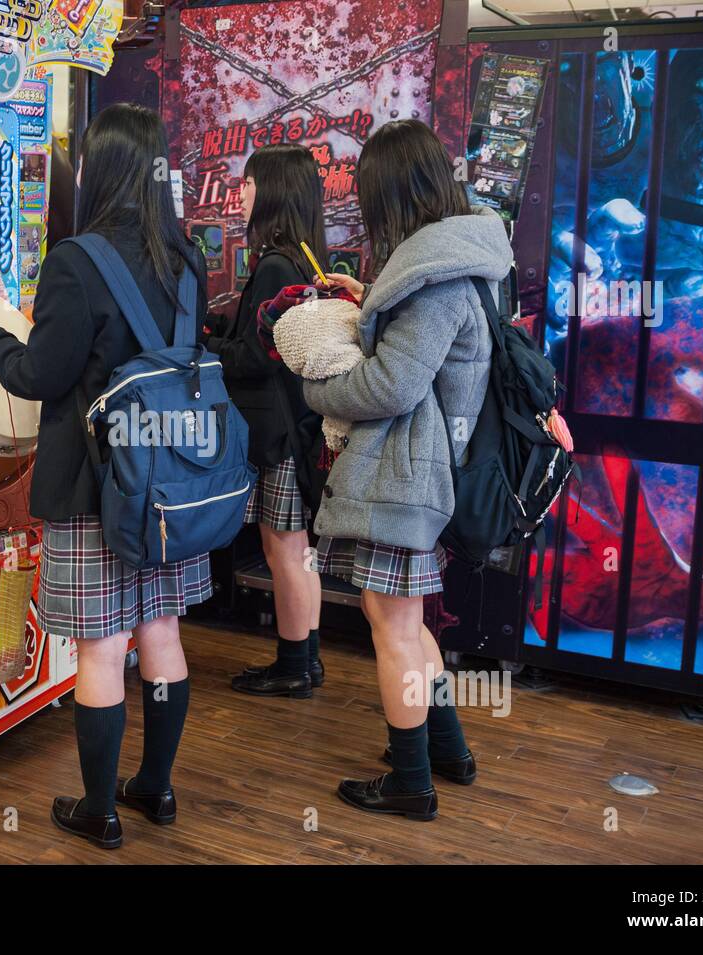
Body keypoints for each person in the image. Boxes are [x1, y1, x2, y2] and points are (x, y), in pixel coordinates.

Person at [0, 103, 209, 850]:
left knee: (102, 647)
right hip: (172, 481)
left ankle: (100, 807)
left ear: (98, 169)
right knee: (161, 630)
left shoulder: (77, 261)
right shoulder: (189, 257)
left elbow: (43, 373)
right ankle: (156, 789)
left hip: (94, 487)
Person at [304, 120, 512, 820]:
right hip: (429, 472)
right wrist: (369, 297)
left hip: (406, 474)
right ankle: (445, 751)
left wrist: (317, 391)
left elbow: (391, 384)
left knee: (392, 628)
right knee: (406, 621)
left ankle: (412, 782)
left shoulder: (434, 279)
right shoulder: (462, 257)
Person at [207, 144, 326, 699]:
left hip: (275, 429)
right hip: (297, 423)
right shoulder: (302, 256)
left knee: (284, 547)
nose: (243, 193)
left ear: (272, 189)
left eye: (250, 183)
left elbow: (260, 356)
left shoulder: (276, 262)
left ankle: (294, 664)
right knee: (296, 547)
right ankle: (307, 656)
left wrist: (208, 348)